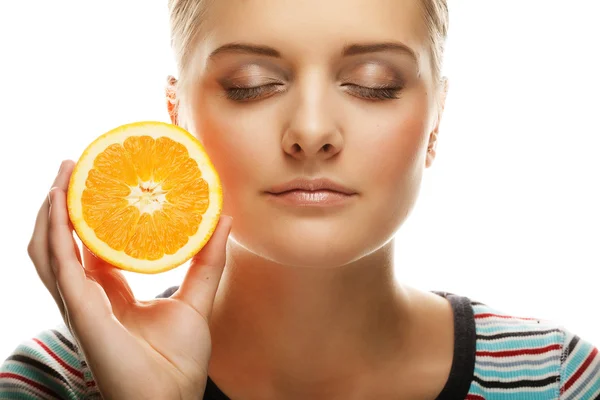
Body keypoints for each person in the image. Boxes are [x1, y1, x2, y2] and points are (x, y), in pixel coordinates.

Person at [1, 0, 599, 399]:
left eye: (373, 84)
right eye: (251, 87)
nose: (311, 130)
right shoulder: (47, 384)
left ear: (437, 117)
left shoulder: (555, 378)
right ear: (176, 113)